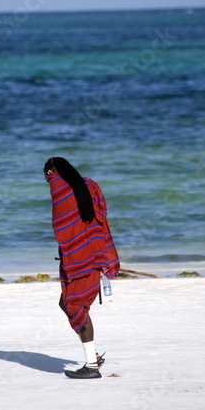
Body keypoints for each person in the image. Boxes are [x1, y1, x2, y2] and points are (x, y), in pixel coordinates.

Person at [44, 157, 120, 379]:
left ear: (50, 171)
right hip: (93, 253)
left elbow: (63, 225)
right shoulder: (89, 185)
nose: (49, 180)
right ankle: (92, 356)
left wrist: (73, 249)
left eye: (48, 175)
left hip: (79, 258)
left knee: (75, 307)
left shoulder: (60, 188)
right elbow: (100, 218)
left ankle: (92, 366)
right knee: (67, 304)